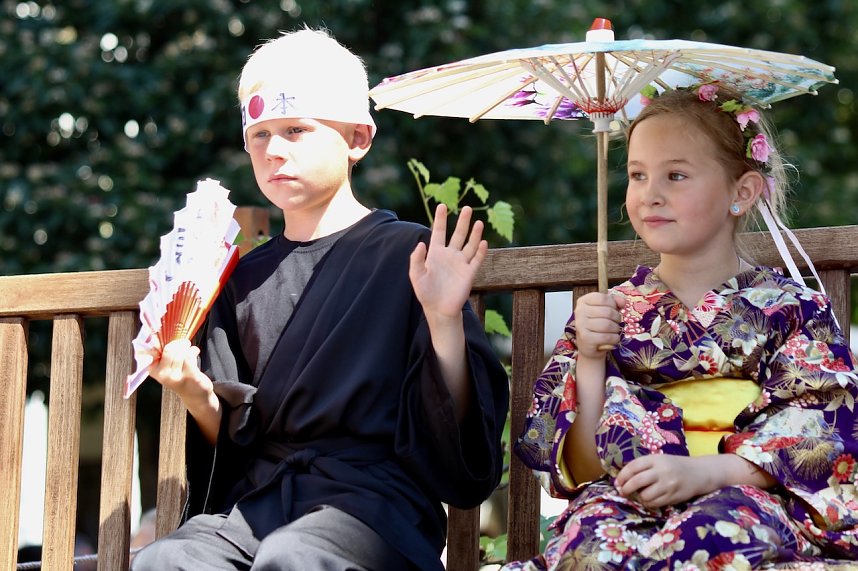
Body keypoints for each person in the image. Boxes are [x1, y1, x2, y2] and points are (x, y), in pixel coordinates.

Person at [131, 27, 509, 571]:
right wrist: (193, 390)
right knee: (167, 560)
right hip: (260, 503)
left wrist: (444, 318)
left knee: (294, 558)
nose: (274, 151)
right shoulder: (238, 278)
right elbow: (238, 446)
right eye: (259, 136)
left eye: (296, 130)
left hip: (374, 506)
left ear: (358, 138)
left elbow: (456, 447)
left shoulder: (409, 255)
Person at [504, 85, 858, 570]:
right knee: (590, 547)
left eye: (675, 175)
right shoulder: (611, 312)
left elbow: (819, 435)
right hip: (630, 497)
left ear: (742, 192)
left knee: (708, 539)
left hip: (743, 496)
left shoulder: (792, 308)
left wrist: (703, 472)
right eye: (637, 175)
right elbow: (586, 467)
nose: (650, 194)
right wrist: (589, 357)